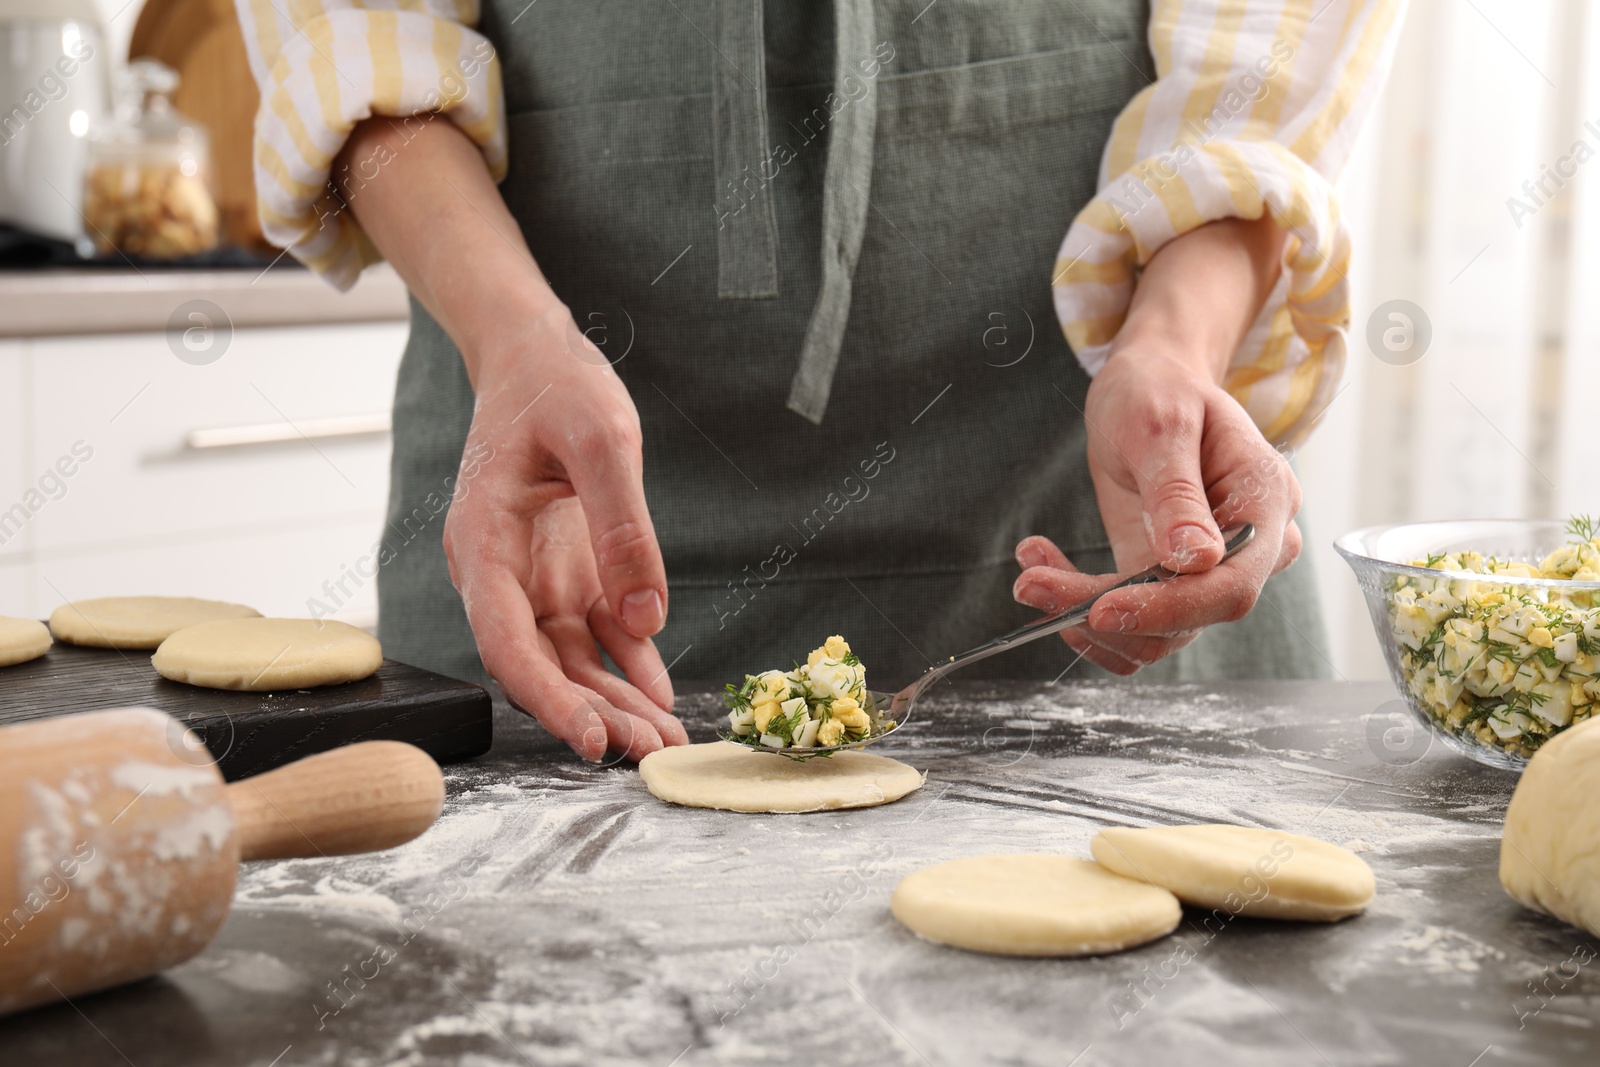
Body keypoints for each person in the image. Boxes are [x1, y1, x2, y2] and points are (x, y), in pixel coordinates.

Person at [235, 0, 1402, 761]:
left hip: (1086, 512)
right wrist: (511, 338)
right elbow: (346, 46)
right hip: (559, 525)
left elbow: (1270, 67)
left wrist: (1174, 348)